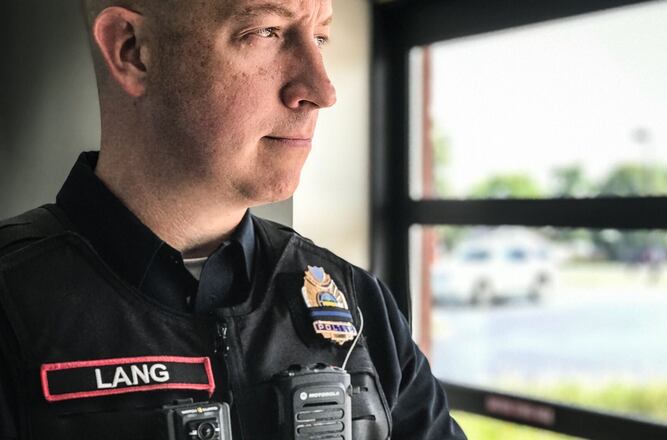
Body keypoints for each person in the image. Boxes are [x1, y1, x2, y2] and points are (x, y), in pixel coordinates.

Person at [0, 0, 466, 439]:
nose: (322, 91)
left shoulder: (359, 304)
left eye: (321, 38)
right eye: (266, 31)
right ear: (132, 51)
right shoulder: (13, 302)